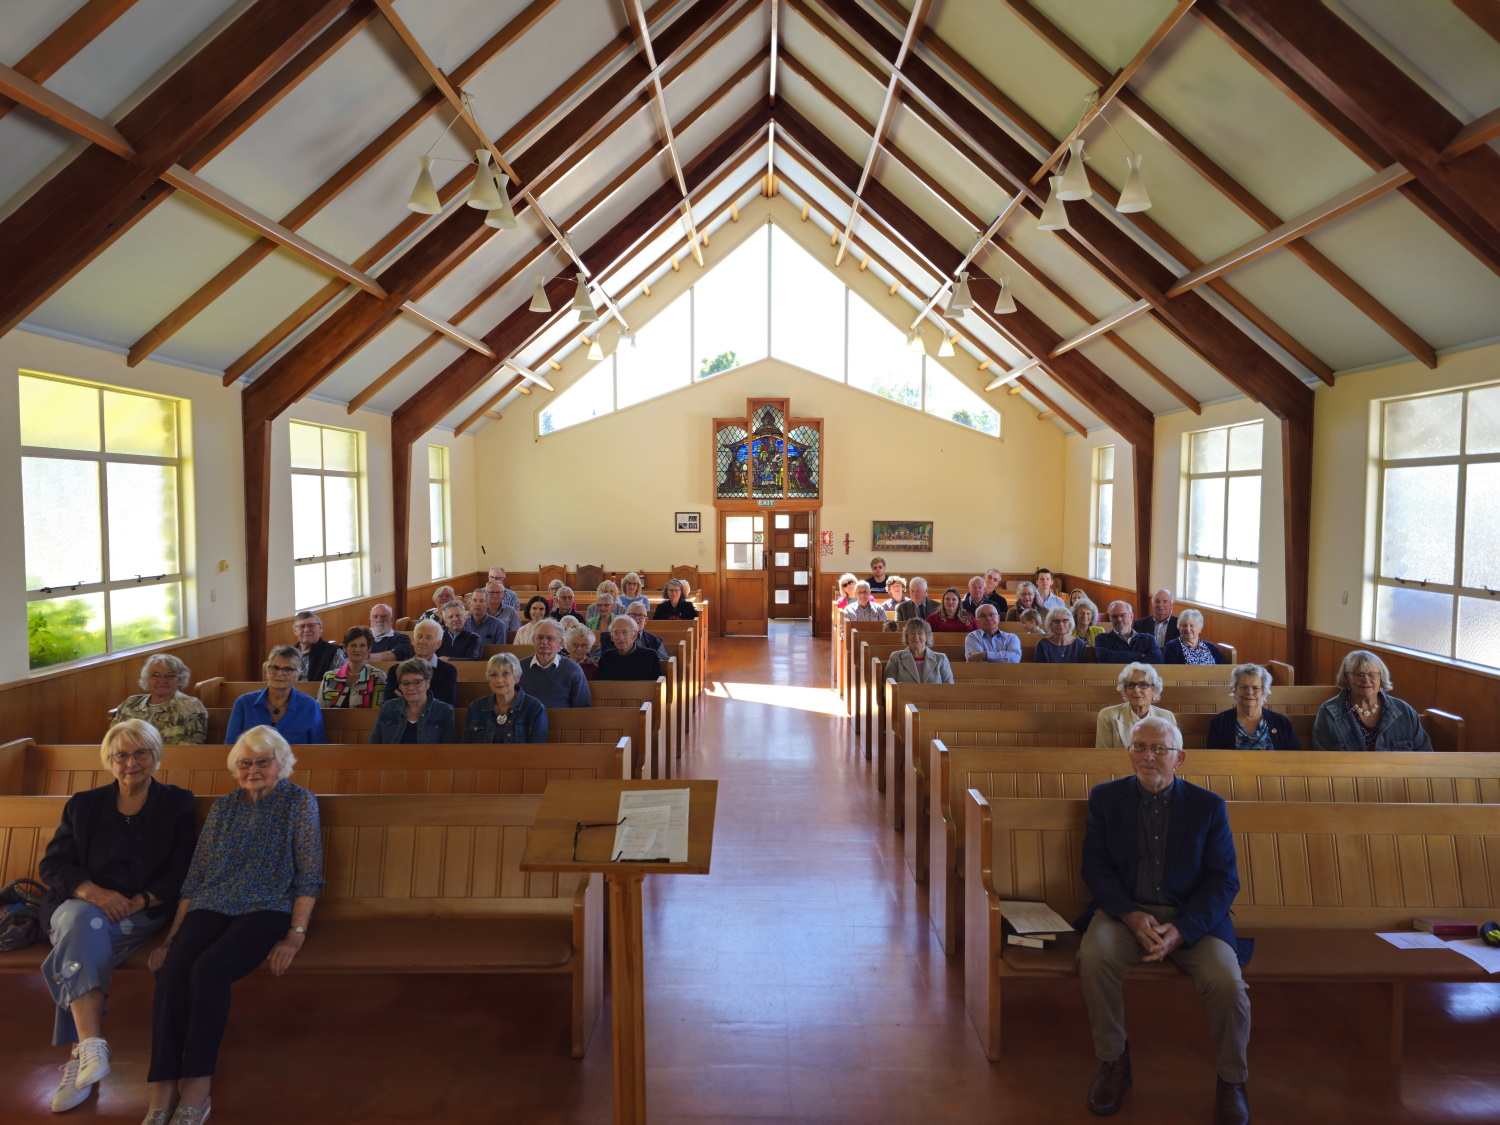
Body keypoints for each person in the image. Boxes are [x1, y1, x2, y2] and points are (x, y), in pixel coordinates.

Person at [144, 726, 322, 1125]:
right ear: (235, 768)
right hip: (213, 903)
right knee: (174, 969)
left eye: (263, 761)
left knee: (209, 969)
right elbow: (196, 876)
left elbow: (309, 875)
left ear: (281, 764)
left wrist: (295, 935)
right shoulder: (224, 808)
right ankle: (162, 1088)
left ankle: (197, 1086)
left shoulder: (299, 803)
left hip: (267, 906)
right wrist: (171, 938)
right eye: (245, 763)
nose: (254, 770)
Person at [1077, 716, 1251, 1123]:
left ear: (1180, 758)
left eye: (1159, 749)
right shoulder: (1106, 798)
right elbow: (1095, 867)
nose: (1148, 756)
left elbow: (1223, 880)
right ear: (1129, 752)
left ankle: (1232, 1080)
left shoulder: (1208, 807)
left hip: (1194, 922)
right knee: (1094, 957)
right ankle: (1114, 1063)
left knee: (1227, 982)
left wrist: (1185, 929)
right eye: (1140, 747)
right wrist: (1130, 914)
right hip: (1125, 914)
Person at [38, 721, 196, 1114]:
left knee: (79, 944)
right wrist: (93, 893)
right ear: (109, 761)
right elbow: (54, 865)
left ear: (156, 756)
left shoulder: (178, 803)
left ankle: (81, 1054)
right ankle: (91, 1048)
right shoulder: (83, 805)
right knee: (81, 922)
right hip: (79, 907)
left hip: (140, 915)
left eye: (141, 752)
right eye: (121, 755)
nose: (131, 762)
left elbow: (185, 869)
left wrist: (140, 900)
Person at [1312, 650, 1432, 753]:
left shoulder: (1404, 711)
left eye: (1372, 674)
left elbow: (1424, 755)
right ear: (1346, 678)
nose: (1366, 680)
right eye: (1358, 674)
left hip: (1396, 779)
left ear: (1381, 677)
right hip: (1349, 778)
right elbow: (1323, 760)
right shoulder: (1329, 712)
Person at [224, 646, 325, 744]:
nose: (279, 674)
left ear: (298, 675)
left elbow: (319, 750)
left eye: (287, 669)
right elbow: (230, 747)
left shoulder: (309, 706)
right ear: (267, 672)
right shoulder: (244, 703)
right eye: (275, 668)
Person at [110, 655, 208, 745]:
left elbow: (193, 745)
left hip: (171, 761)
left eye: (170, 676)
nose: (162, 680)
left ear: (180, 679)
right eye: (155, 675)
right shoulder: (131, 703)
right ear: (146, 678)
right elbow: (112, 738)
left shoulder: (191, 706)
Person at [1207, 664, 1301, 750]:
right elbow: (1213, 759)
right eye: (1243, 687)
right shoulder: (1220, 721)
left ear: (1264, 692)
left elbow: (1296, 757)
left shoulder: (1281, 721)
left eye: (1255, 688)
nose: (1249, 692)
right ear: (1234, 690)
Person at [463, 653, 548, 743]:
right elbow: (466, 748)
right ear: (488, 680)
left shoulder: (535, 708)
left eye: (505, 674)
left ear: (517, 678)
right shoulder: (476, 707)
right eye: (493, 675)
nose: (499, 680)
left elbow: (537, 751)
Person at [369, 658, 456, 743]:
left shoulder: (444, 711)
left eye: (417, 682)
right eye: (406, 683)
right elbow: (373, 745)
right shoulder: (388, 707)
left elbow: (446, 751)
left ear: (427, 683)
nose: (411, 688)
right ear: (400, 686)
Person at [1096, 663, 1177, 749]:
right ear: (1125, 691)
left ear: (1154, 692)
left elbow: (1172, 755)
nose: (1136, 690)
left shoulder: (1167, 717)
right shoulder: (1108, 716)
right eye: (1131, 685)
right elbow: (1102, 756)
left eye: (1143, 684)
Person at [382, 619, 457, 708]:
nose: (422, 641)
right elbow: (389, 704)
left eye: (428, 638)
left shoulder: (447, 671)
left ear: (438, 644)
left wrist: (405, 700)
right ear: (413, 640)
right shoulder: (395, 670)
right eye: (419, 636)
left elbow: (446, 706)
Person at [520, 620, 592, 707]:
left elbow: (582, 707)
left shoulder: (573, 669)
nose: (544, 642)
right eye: (539, 637)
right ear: (533, 640)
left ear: (561, 642)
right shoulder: (519, 667)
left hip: (563, 720)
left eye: (550, 638)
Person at [319, 625, 385, 708]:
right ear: (345, 648)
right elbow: (320, 709)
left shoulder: (377, 677)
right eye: (353, 645)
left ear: (369, 648)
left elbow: (377, 712)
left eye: (362, 645)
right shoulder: (329, 677)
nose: (357, 650)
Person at [884, 619, 954, 684]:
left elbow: (950, 688)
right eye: (912, 633)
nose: (916, 637)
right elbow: (888, 688)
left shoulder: (941, 659)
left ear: (927, 636)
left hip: (935, 697)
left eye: (920, 633)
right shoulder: (895, 658)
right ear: (907, 637)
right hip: (905, 697)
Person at [1094, 602, 1165, 664]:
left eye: (1123, 615)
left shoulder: (1147, 639)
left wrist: (1118, 657)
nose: (1119, 619)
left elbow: (1157, 660)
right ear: (1110, 618)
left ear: (1131, 616)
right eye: (1114, 616)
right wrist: (1139, 655)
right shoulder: (1102, 638)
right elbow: (1105, 658)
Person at [597, 617, 662, 681]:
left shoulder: (650, 656)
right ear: (611, 637)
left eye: (625, 632)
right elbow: (601, 685)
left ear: (634, 635)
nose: (621, 638)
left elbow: (658, 685)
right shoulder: (606, 657)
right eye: (616, 633)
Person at [291, 610, 342, 682]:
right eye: (302, 626)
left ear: (320, 628)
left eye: (311, 625)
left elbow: (341, 682)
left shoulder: (335, 652)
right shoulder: (289, 654)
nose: (306, 630)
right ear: (295, 631)